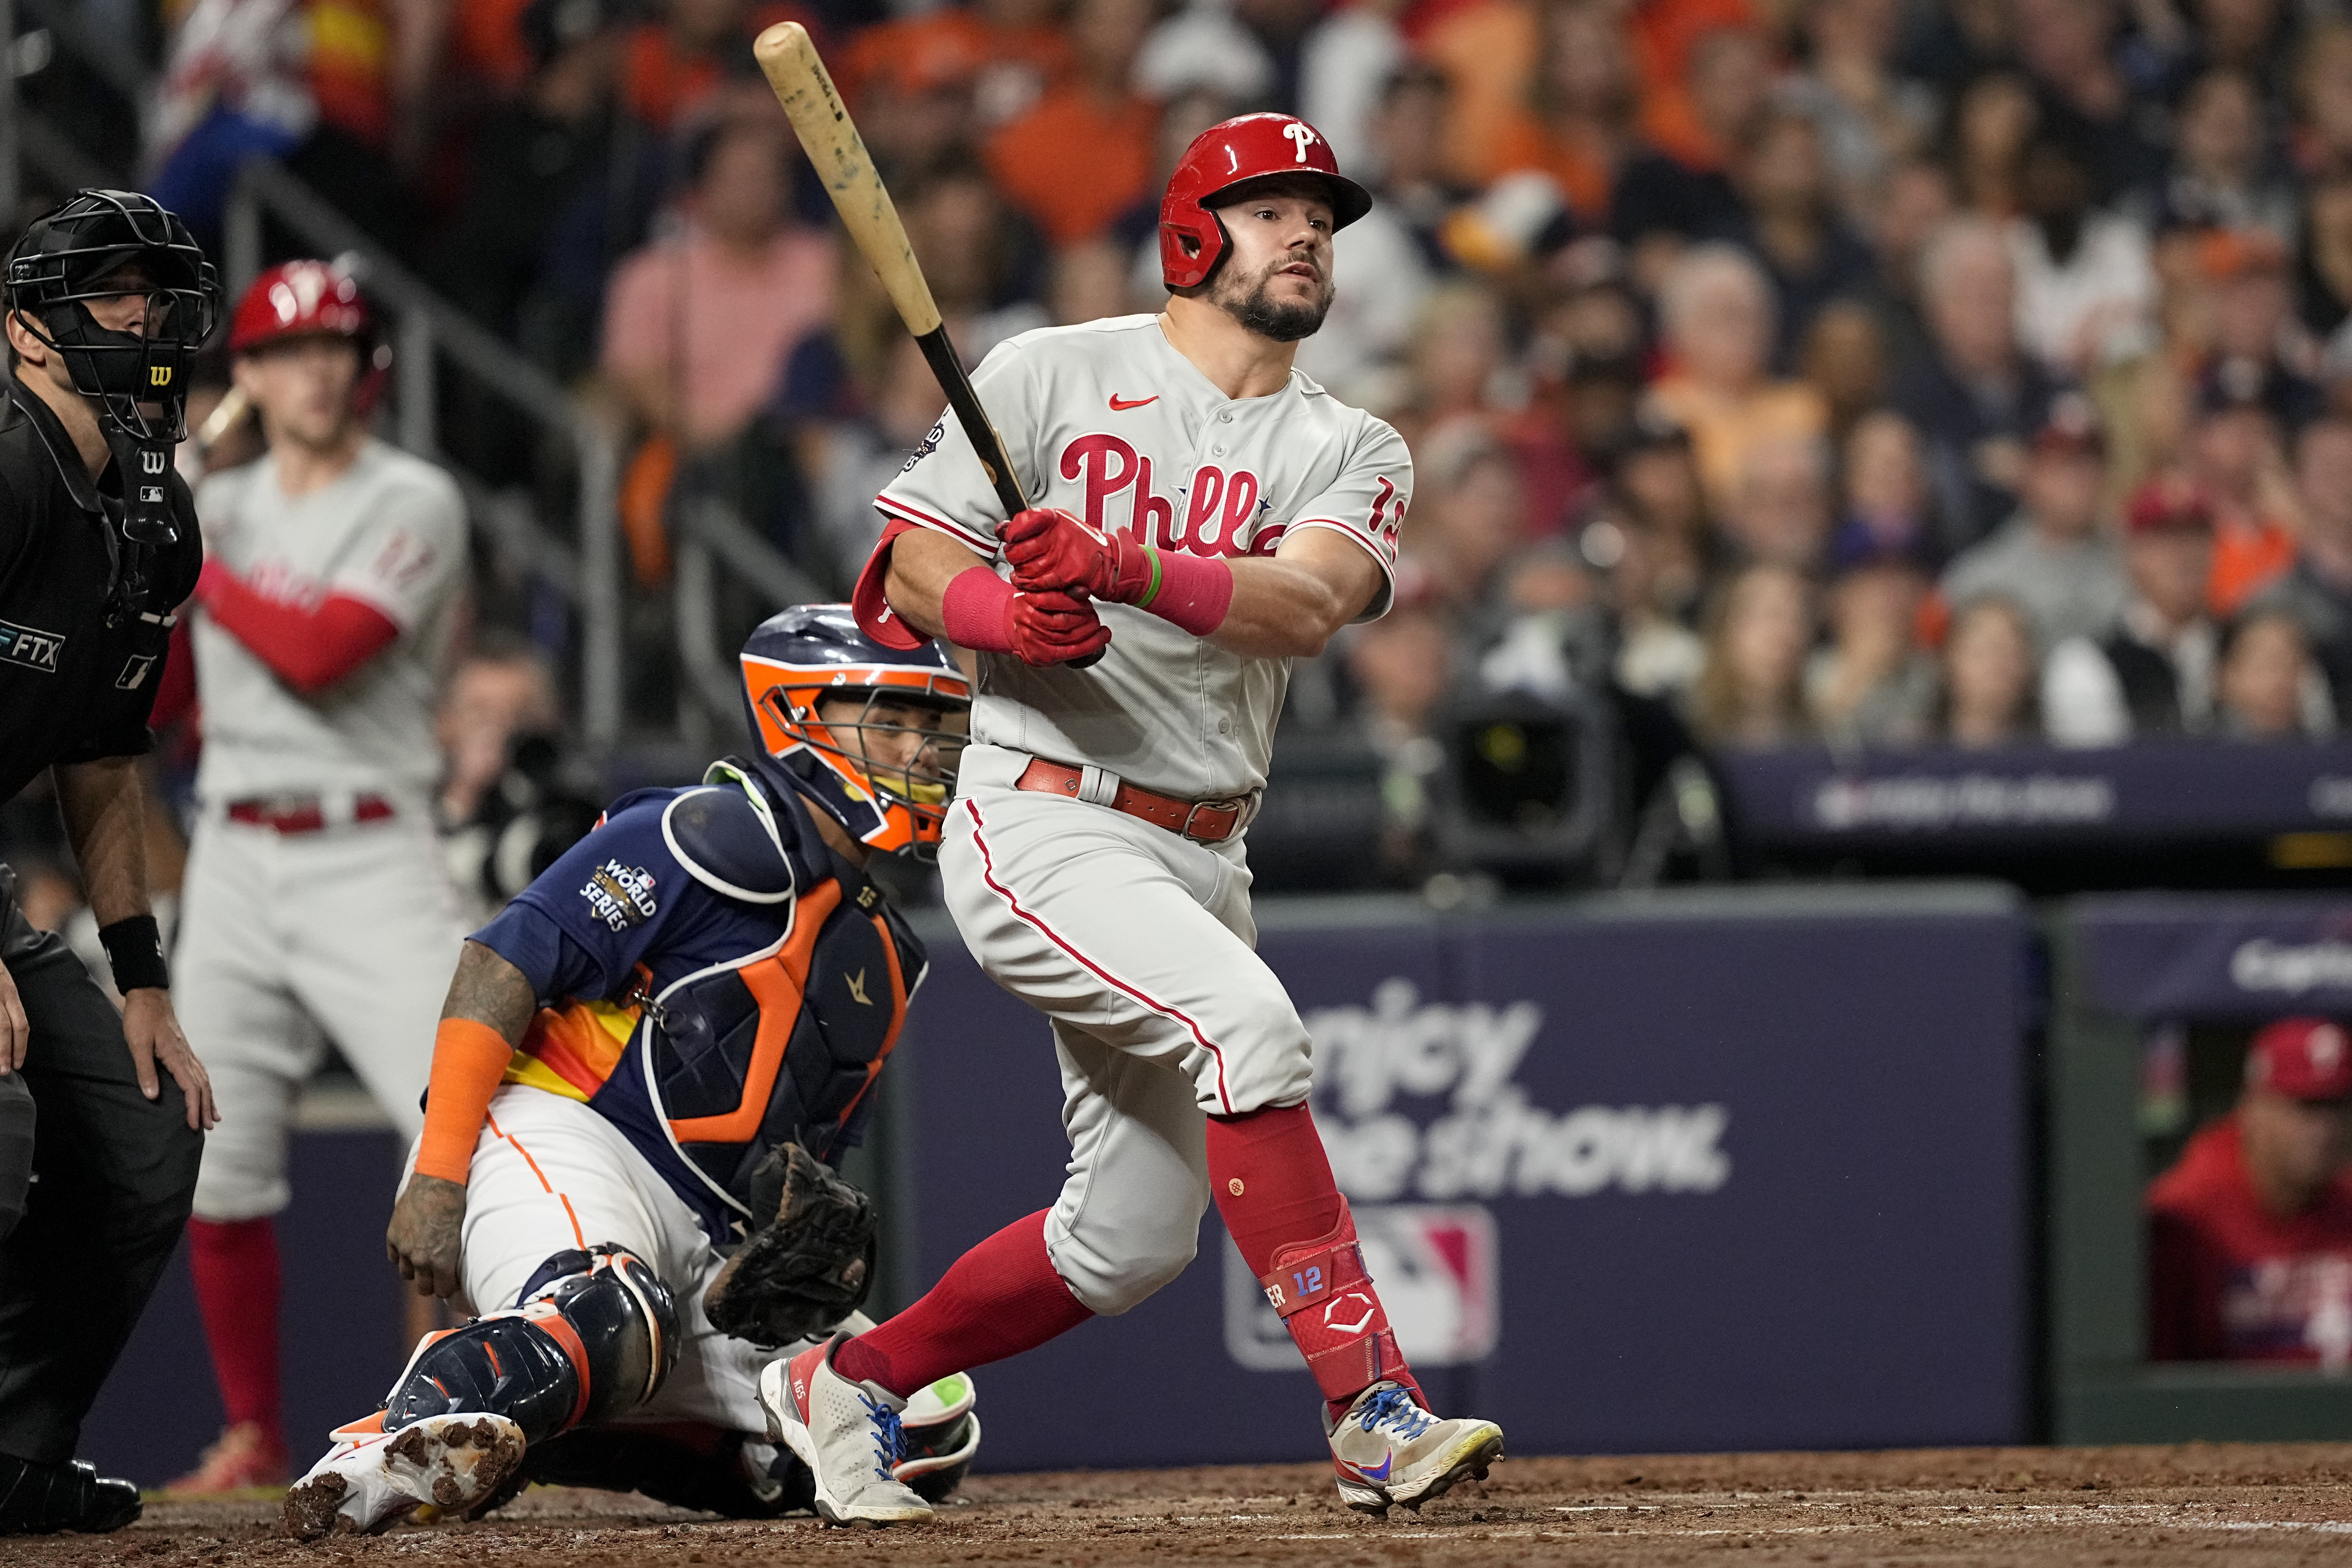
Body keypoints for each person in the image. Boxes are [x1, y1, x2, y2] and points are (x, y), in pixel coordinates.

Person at [805, 112, 1506, 1526]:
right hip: (1041, 807)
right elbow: (908, 565)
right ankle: (1372, 1406)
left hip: (1202, 843)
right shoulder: (1048, 370)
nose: (1303, 231)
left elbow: (1304, 605)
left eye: (1319, 213)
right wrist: (1005, 608)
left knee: (1127, 1243)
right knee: (1250, 1032)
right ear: (1193, 233)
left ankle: (854, 1378)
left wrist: (1118, 564)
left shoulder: (1349, 441)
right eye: (1267, 210)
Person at [282, 606, 983, 1535]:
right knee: (615, 1309)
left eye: (933, 729)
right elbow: (503, 963)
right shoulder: (704, 831)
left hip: (690, 1228)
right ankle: (376, 1453)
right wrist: (441, 1165)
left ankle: (536, 1414)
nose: (922, 752)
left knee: (914, 1410)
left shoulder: (889, 955)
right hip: (558, 1130)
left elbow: (783, 1170)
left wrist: (777, 1250)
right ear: (799, 717)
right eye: (891, 722)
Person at [165, 261, 472, 1495]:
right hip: (231, 844)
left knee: (452, 1131)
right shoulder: (212, 504)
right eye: (286, 349)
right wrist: (149, 533)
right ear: (243, 373)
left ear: (367, 367)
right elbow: (169, 699)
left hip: (370, 841)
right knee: (214, 1157)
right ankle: (252, 1432)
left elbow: (319, 650)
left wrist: (186, 549)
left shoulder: (416, 495)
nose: (315, 367)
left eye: (336, 345)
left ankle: (439, 1411)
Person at [0, 190, 219, 1534]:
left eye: (159, 293)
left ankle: (15, 1447)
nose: (148, 322)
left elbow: (103, 753)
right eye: (112, 295)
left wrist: (139, 975)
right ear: (26, 328)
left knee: (145, 1126)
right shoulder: (7, 468)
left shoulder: (154, 518)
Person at [2149, 1017, 2352, 1366]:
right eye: (2303, 1106)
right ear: (2251, 1107)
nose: (2324, 1129)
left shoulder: (2345, 1202)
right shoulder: (2185, 1214)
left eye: (2335, 1106)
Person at [2041, 474, 2219, 745]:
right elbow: (2102, 775)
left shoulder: (2243, 647)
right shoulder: (2089, 662)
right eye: (2164, 540)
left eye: (2195, 537)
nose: (2183, 556)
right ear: (2130, 554)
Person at [1939, 397, 2127, 651]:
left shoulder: (2140, 561)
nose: (2080, 478)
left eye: (2091, 462)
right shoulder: (1978, 580)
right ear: (2029, 474)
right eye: (2064, 464)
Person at [1938, 594, 2042, 747]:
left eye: (2010, 652)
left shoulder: (2060, 756)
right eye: (1983, 650)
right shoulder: (1910, 750)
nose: (1997, 665)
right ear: (1950, 658)